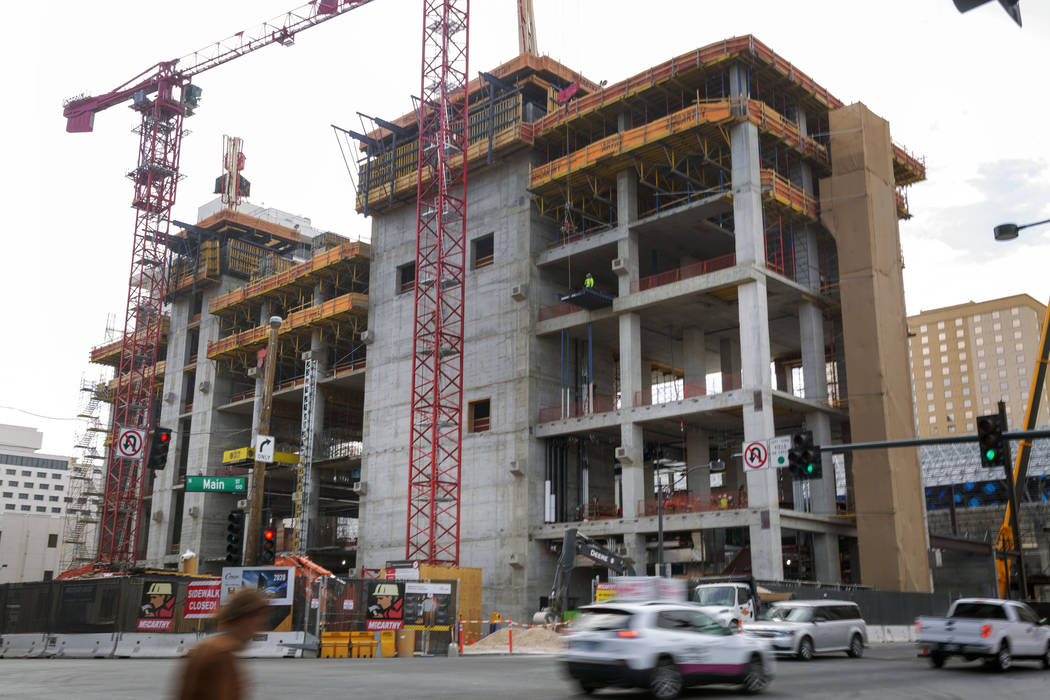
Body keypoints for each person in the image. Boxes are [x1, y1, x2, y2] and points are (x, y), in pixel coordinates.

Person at [174, 587, 269, 700]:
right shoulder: (222, 656)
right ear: (246, 619)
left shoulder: (205, 647)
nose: (257, 632)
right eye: (258, 624)